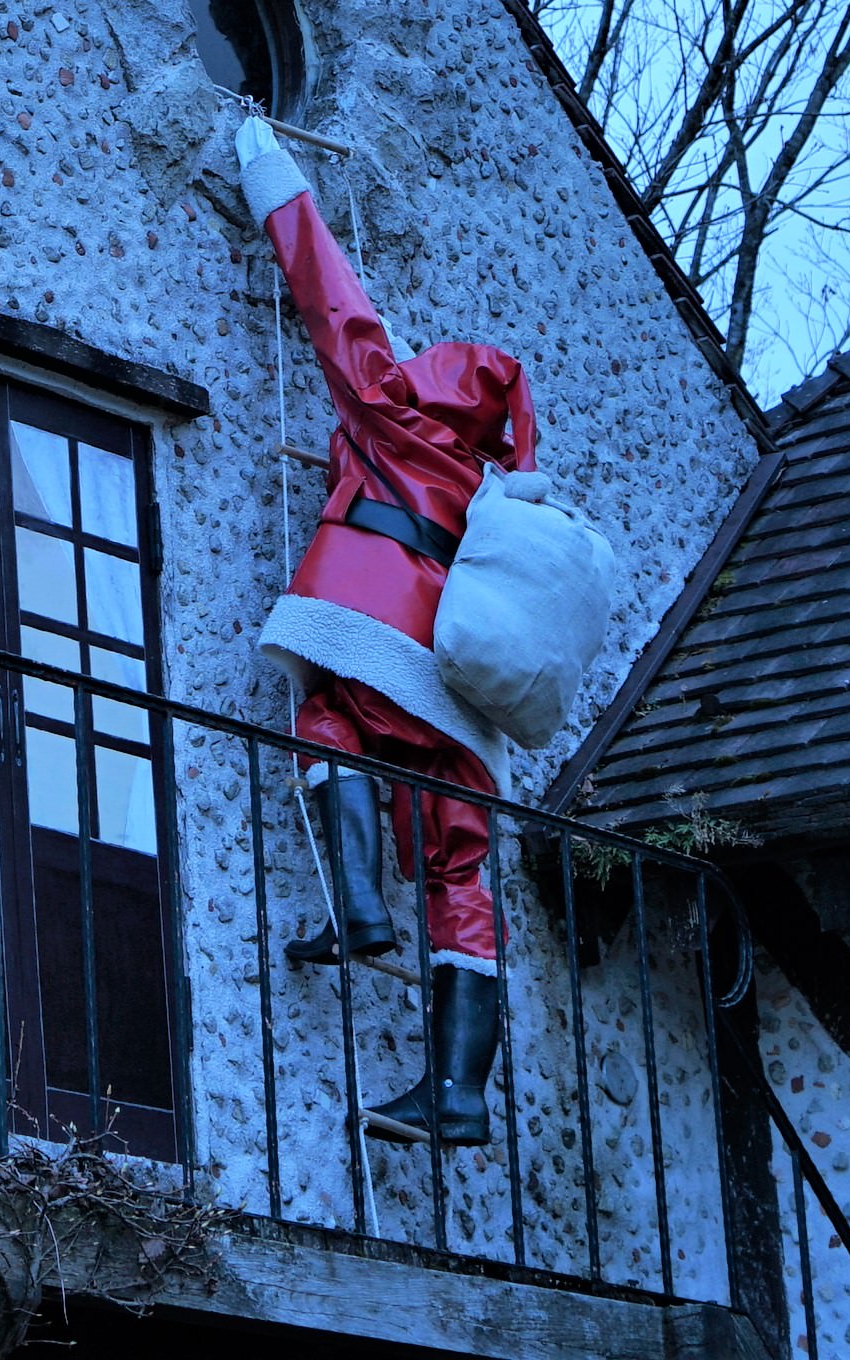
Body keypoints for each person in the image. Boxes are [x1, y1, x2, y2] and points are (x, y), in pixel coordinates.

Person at [237, 110, 536, 1148]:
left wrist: (264, 162)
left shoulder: (389, 411)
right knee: (459, 873)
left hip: (378, 637)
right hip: (465, 700)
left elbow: (329, 292)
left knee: (327, 718)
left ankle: (359, 903)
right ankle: (458, 1091)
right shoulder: (497, 489)